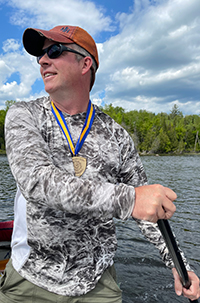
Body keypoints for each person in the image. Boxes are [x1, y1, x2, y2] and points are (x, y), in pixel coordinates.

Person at [1, 25, 199, 303]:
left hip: (97, 286)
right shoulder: (24, 115)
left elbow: (148, 211)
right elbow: (37, 182)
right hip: (30, 281)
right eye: (41, 56)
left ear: (86, 64)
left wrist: (180, 265)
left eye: (54, 51)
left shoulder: (116, 135)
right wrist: (130, 199)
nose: (43, 60)